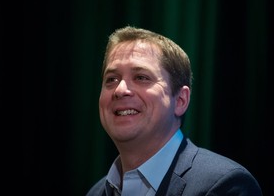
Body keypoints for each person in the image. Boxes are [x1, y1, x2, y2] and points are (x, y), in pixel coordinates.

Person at [86, 26, 262, 195]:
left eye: (141, 77)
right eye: (111, 79)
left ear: (180, 100)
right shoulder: (96, 192)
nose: (120, 90)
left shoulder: (224, 185)